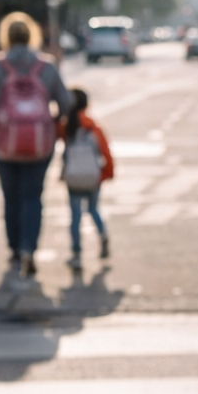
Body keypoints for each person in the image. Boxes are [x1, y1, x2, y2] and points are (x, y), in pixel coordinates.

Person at [0, 11, 68, 277]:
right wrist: (51, 126)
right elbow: (66, 103)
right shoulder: (47, 66)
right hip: (40, 145)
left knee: (10, 196)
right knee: (33, 196)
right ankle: (29, 248)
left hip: (2, 145)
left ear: (6, 37)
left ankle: (14, 250)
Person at [59, 87, 115, 267]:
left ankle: (76, 254)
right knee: (93, 209)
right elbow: (105, 153)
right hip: (92, 177)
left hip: (73, 177)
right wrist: (106, 174)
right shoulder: (93, 127)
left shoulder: (66, 127)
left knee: (75, 215)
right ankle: (103, 236)